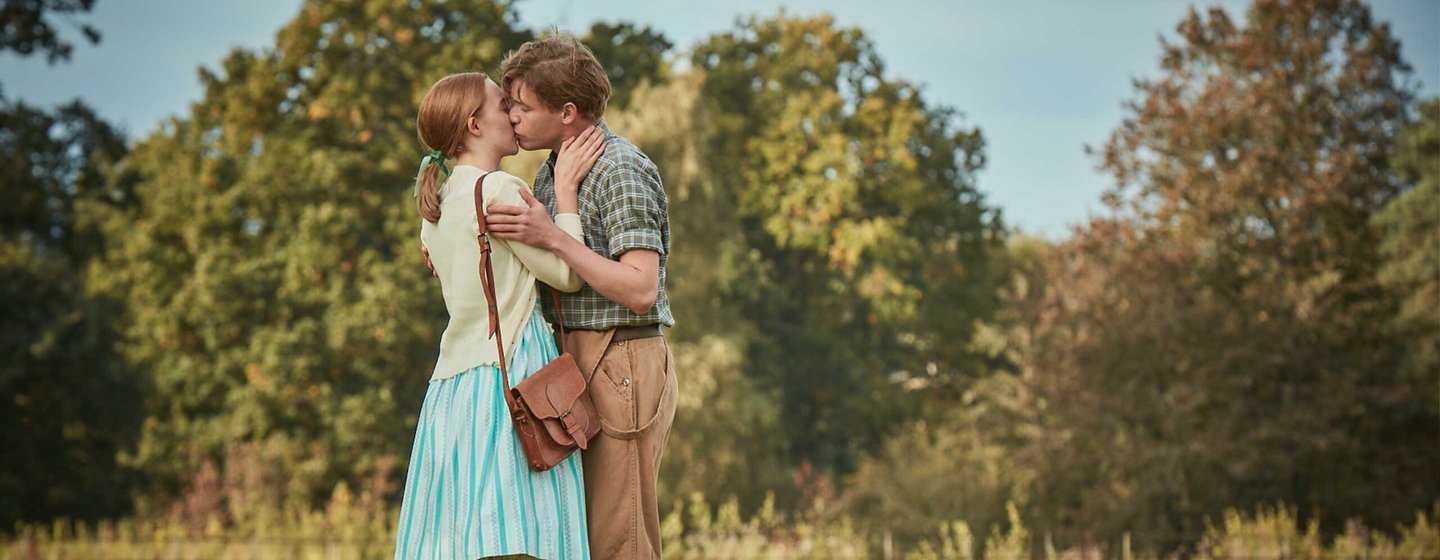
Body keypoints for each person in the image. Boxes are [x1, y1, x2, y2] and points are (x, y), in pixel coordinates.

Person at [395, 70, 604, 560]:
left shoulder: (436, 208)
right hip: (513, 374)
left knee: (464, 538)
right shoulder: (498, 190)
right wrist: (567, 191)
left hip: (452, 389)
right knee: (522, 536)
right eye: (500, 104)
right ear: (474, 124)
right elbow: (567, 276)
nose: (512, 113)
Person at [484, 34, 679, 560]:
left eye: (523, 107)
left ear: (567, 111)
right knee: (583, 539)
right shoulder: (555, 171)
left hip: (623, 359)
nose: (513, 117)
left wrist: (553, 236)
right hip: (574, 360)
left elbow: (641, 288)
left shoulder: (620, 169)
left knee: (621, 539)